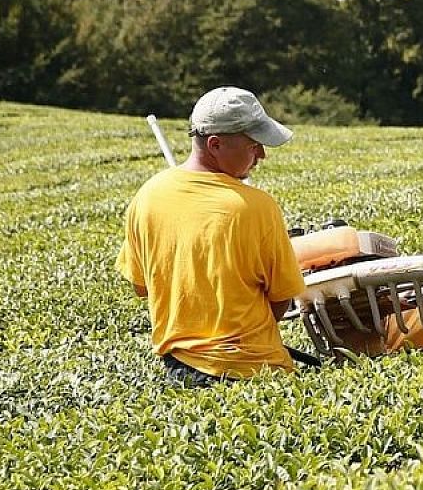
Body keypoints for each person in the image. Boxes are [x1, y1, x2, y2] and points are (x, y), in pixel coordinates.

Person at [116, 86, 306, 386]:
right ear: (215, 144)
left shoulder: (147, 197)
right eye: (254, 145)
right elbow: (282, 299)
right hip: (253, 369)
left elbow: (143, 287)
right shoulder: (257, 206)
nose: (262, 155)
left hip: (179, 370)